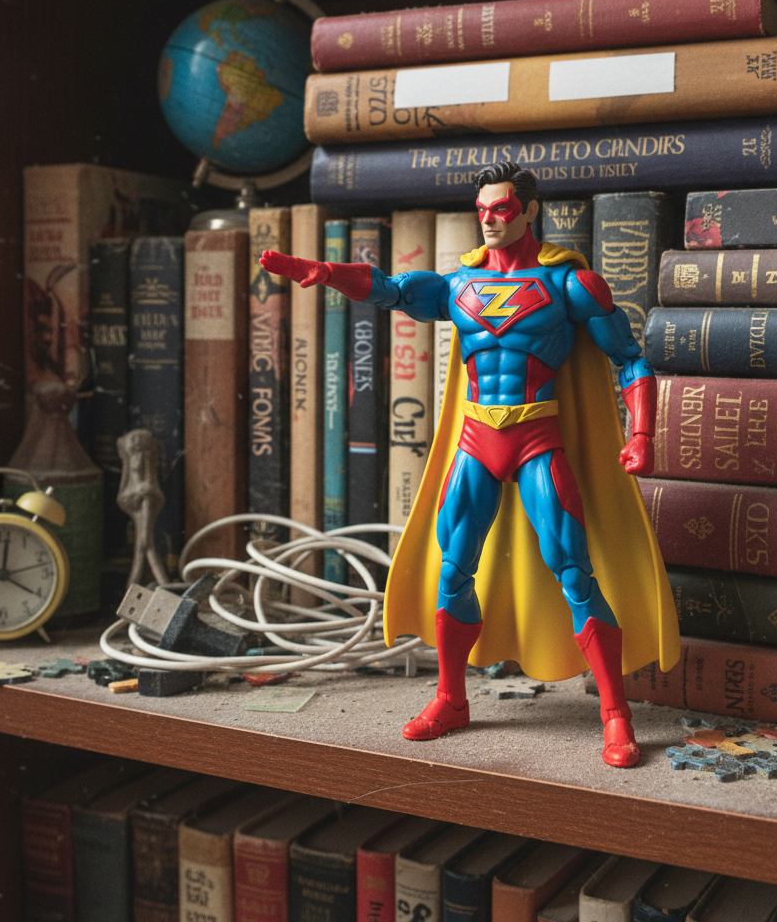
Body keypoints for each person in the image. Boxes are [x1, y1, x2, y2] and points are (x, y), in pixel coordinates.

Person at [260, 162, 678, 767]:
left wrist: (641, 434)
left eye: (502, 209)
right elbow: (387, 288)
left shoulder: (571, 286)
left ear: (530, 211)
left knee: (573, 568)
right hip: (478, 438)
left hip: (537, 436)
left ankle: (615, 713)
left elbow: (633, 362)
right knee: (454, 567)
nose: (489, 220)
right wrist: (327, 273)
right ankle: (451, 698)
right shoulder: (458, 286)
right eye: (481, 210)